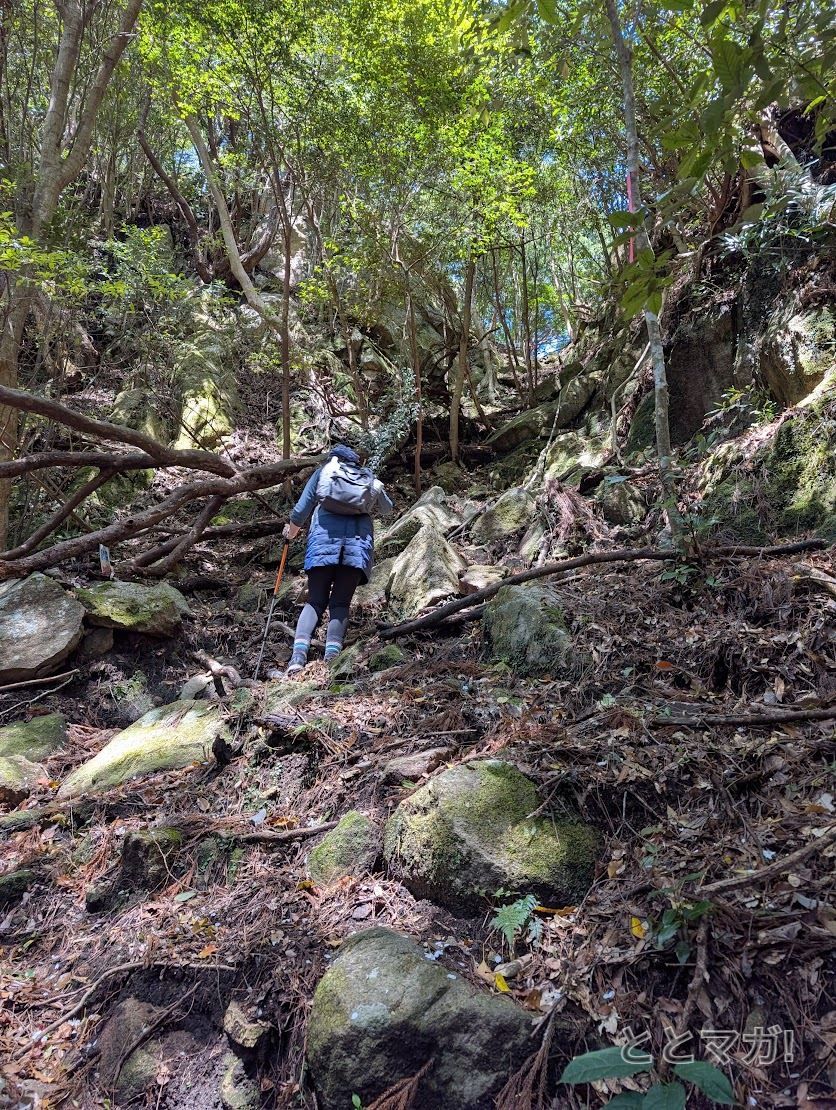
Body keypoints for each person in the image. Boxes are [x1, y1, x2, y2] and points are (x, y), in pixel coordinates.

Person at [282, 444, 393, 675]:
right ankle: (332, 661)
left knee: (315, 601)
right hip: (357, 546)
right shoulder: (366, 478)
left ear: (334, 459)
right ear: (355, 462)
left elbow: (301, 511)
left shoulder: (324, 472)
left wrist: (290, 534)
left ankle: (298, 657)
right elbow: (387, 509)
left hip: (323, 542)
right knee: (340, 604)